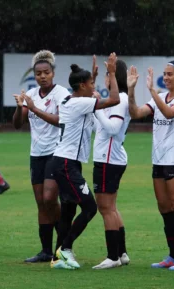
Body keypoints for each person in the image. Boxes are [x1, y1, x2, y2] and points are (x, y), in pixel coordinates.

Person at [53, 53, 121, 269]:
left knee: (68, 210)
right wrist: (112, 72)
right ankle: (64, 249)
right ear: (81, 85)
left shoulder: (70, 99)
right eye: (91, 83)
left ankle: (58, 257)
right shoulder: (79, 103)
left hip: (67, 162)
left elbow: (86, 94)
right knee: (90, 208)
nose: (94, 87)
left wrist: (92, 75)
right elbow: (115, 100)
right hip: (65, 163)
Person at [128, 60, 174, 271]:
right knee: (165, 208)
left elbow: (168, 112)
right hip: (158, 159)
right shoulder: (160, 98)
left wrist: (151, 91)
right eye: (164, 74)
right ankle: (173, 255)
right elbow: (136, 114)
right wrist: (131, 90)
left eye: (169, 74)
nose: (165, 78)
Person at [12, 50, 71, 265]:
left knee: (49, 198)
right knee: (41, 203)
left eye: (46, 72)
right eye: (38, 74)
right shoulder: (31, 94)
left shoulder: (61, 93)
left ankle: (63, 243)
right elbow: (18, 124)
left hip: (56, 152)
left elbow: (61, 120)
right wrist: (21, 108)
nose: (42, 76)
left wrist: (34, 108)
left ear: (53, 73)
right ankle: (47, 250)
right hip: (36, 154)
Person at [92, 60, 132, 269]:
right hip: (110, 158)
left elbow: (113, 128)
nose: (106, 78)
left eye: (109, 74)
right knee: (112, 208)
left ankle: (112, 256)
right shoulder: (117, 99)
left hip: (108, 160)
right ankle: (122, 253)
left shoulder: (121, 99)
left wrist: (95, 108)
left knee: (105, 208)